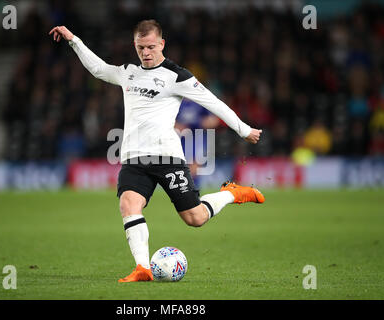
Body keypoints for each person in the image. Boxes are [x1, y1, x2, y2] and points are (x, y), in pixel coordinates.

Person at [49, 19, 265, 283]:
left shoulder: (177, 76)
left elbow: (213, 103)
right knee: (128, 204)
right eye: (141, 48)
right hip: (133, 158)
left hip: (168, 158)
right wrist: (74, 40)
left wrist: (243, 129)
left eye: (151, 47)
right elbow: (98, 69)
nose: (146, 53)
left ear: (162, 43)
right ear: (135, 46)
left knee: (195, 218)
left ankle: (231, 194)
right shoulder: (128, 71)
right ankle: (143, 268)